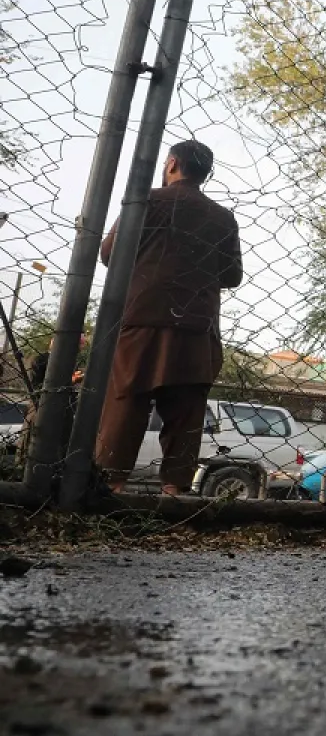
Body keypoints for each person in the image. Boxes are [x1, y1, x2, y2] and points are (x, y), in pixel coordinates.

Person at [94, 141, 241, 495]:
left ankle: (109, 488)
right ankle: (175, 492)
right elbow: (232, 276)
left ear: (172, 163)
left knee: (126, 402)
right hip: (196, 323)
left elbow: (109, 253)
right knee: (186, 411)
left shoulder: (147, 200)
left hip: (143, 315)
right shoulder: (222, 216)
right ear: (205, 172)